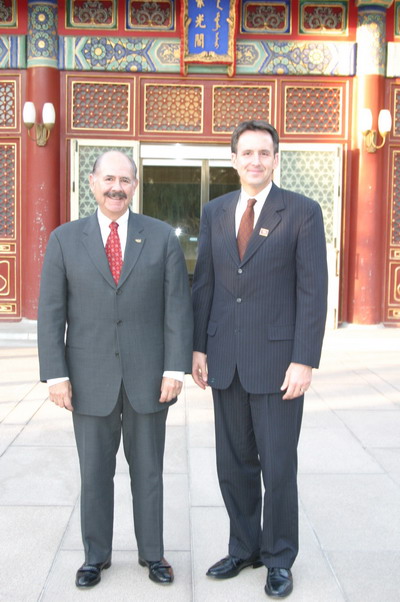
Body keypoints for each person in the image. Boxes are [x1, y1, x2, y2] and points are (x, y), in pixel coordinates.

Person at [38, 150, 193, 589]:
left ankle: (152, 554)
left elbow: (177, 309)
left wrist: (175, 369)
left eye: (125, 180)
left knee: (149, 471)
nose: (116, 188)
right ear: (92, 182)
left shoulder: (160, 237)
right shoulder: (65, 240)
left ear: (135, 185)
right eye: (108, 179)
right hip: (88, 378)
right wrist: (56, 374)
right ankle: (95, 556)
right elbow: (51, 312)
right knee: (94, 472)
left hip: (149, 377)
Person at [191, 120, 328, 598]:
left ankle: (278, 557)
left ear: (275, 159)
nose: (254, 160)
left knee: (277, 466)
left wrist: (304, 359)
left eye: (263, 153)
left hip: (277, 365)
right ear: (233, 159)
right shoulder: (214, 211)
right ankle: (244, 547)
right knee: (233, 465)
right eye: (246, 152)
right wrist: (198, 347)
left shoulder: (303, 212)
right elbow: (204, 281)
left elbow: (313, 291)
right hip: (225, 360)